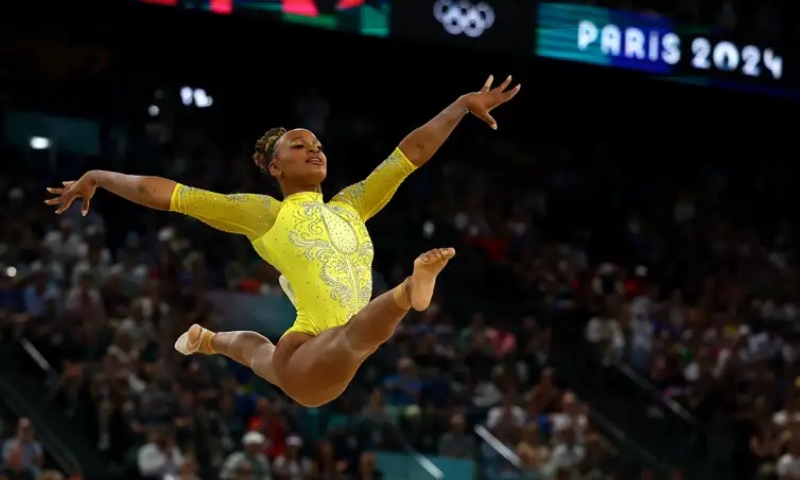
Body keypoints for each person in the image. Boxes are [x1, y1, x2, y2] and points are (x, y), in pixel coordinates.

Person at [45, 75, 520, 407]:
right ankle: (407, 293)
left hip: (319, 360)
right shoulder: (264, 214)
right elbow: (165, 192)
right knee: (349, 338)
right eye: (298, 145)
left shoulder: (350, 205)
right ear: (275, 167)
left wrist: (460, 105)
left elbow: (408, 154)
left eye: (317, 144)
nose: (313, 149)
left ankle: (207, 340)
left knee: (256, 351)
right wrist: (98, 176)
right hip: (313, 354)